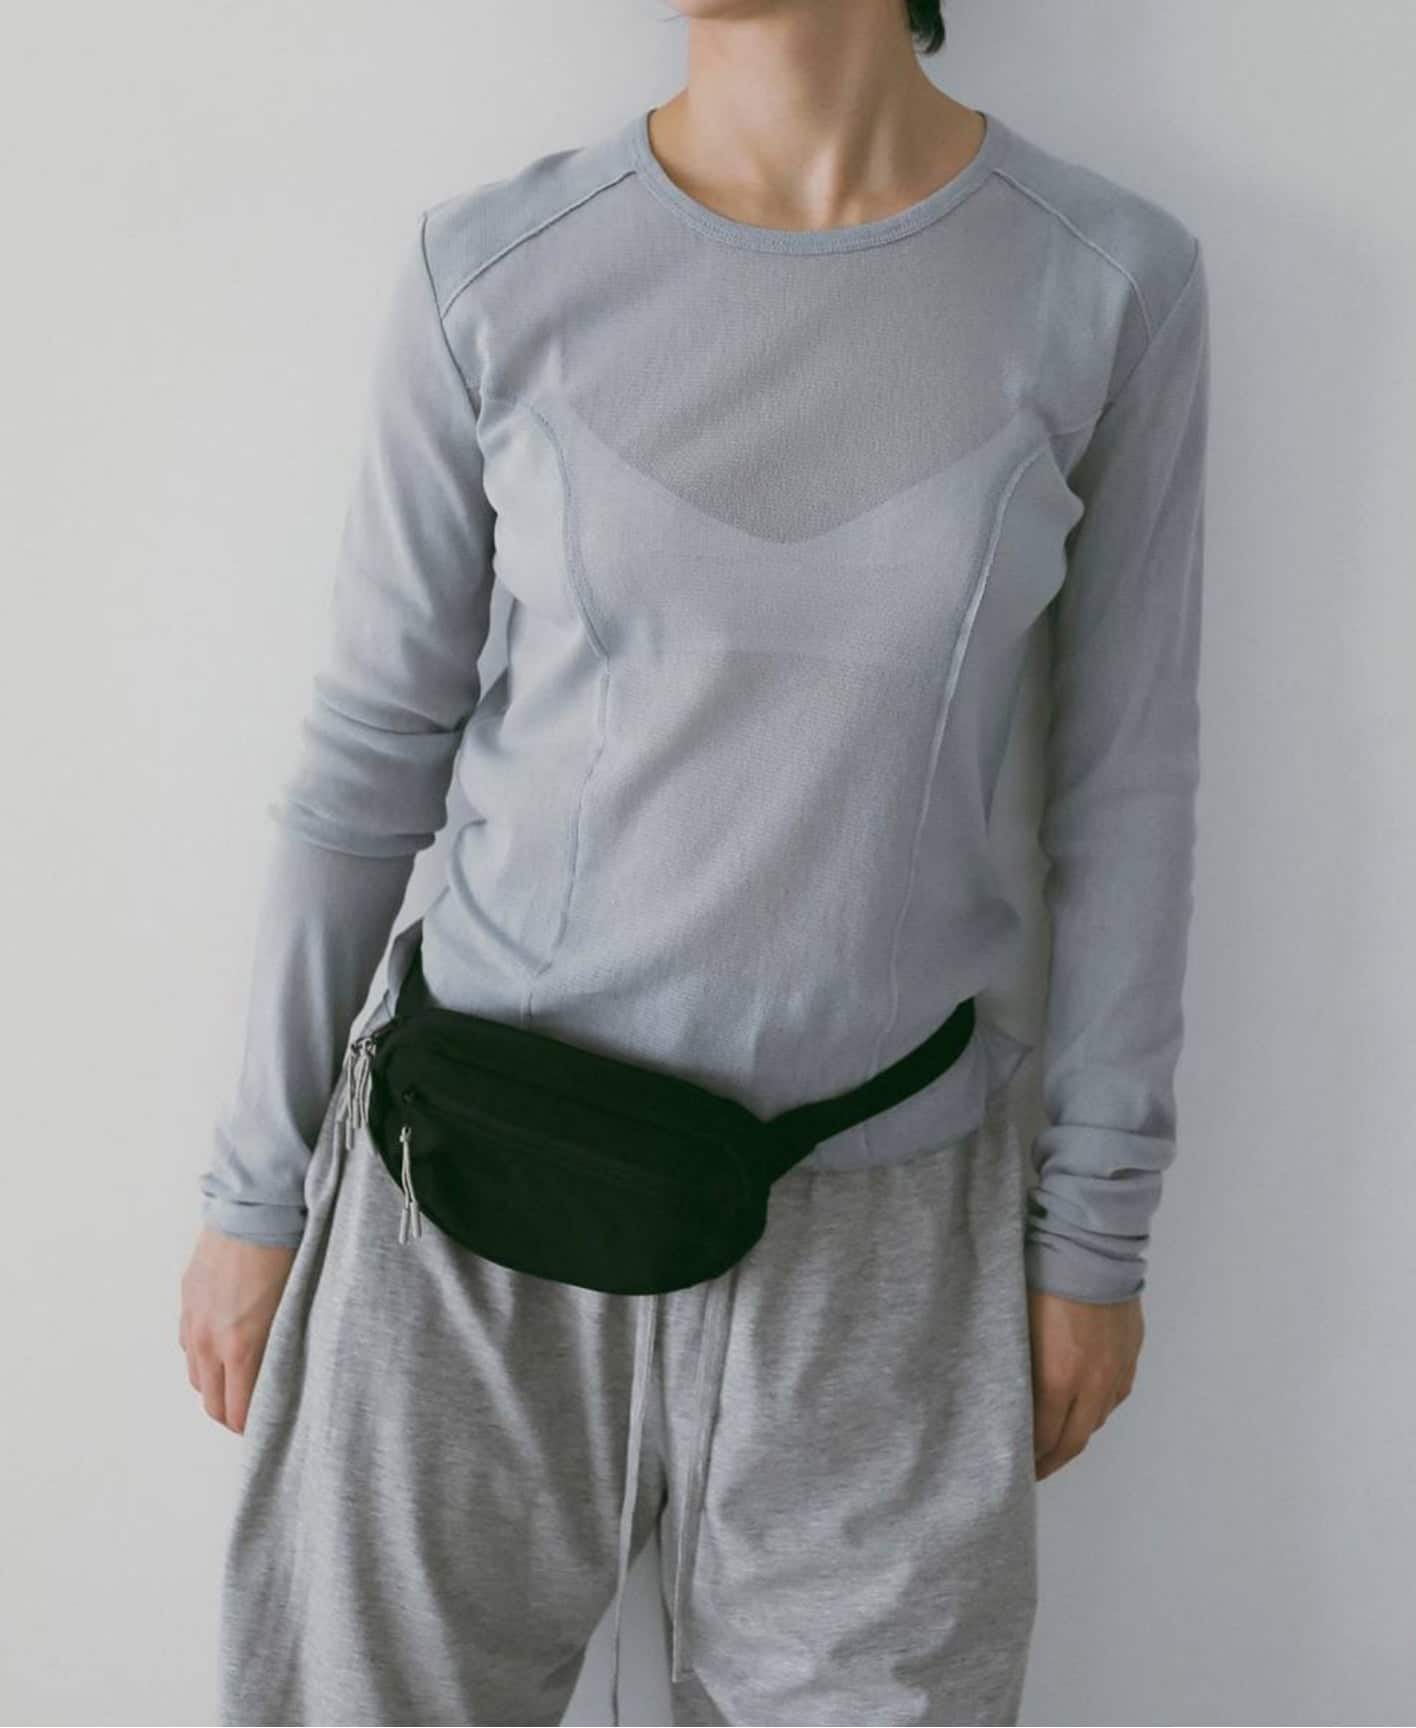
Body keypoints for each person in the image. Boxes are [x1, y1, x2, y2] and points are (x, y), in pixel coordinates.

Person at [179, 0, 1210, 1721]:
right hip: (473, 1211)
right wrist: (251, 1194)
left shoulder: (1106, 282)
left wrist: (1095, 1229)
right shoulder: (492, 269)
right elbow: (368, 760)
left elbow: (1127, 791)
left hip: (880, 1241)